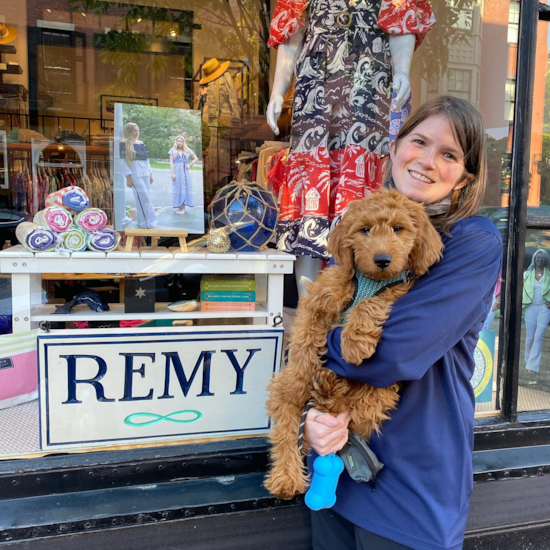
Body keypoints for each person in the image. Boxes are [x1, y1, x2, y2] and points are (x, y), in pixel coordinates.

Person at [302, 96, 502, 550]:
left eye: (449, 155)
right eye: (419, 142)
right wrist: (311, 420)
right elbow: (329, 323)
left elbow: (391, 353)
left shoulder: (472, 243)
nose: (428, 161)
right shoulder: (363, 228)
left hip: (411, 492)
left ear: (465, 176)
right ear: (395, 149)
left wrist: (315, 341)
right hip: (337, 477)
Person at [119, 122, 156, 229]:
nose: (136, 133)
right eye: (134, 130)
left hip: (145, 173)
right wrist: (128, 178)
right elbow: (122, 162)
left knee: (143, 198)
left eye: (137, 130)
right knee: (144, 198)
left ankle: (142, 223)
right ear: (129, 131)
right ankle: (150, 223)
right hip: (135, 174)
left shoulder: (140, 143)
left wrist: (151, 174)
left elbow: (146, 160)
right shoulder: (124, 143)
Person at [523, 249, 550, 374]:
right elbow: (520, 291)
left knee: (539, 336)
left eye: (542, 258)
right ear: (534, 259)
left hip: (544, 308)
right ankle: (528, 360)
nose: (539, 260)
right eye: (537, 258)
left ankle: (532, 367)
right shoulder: (526, 274)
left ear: (545, 260)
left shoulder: (549, 274)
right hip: (530, 307)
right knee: (530, 337)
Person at [169, 135, 198, 215]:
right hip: (177, 171)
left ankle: (183, 208)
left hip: (185, 171)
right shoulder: (172, 150)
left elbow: (196, 158)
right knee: (177, 188)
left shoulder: (187, 150)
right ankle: (179, 206)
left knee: (185, 188)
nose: (179, 142)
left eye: (181, 141)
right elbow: (171, 162)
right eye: (178, 141)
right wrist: (172, 173)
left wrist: (189, 165)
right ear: (176, 142)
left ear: (183, 142)